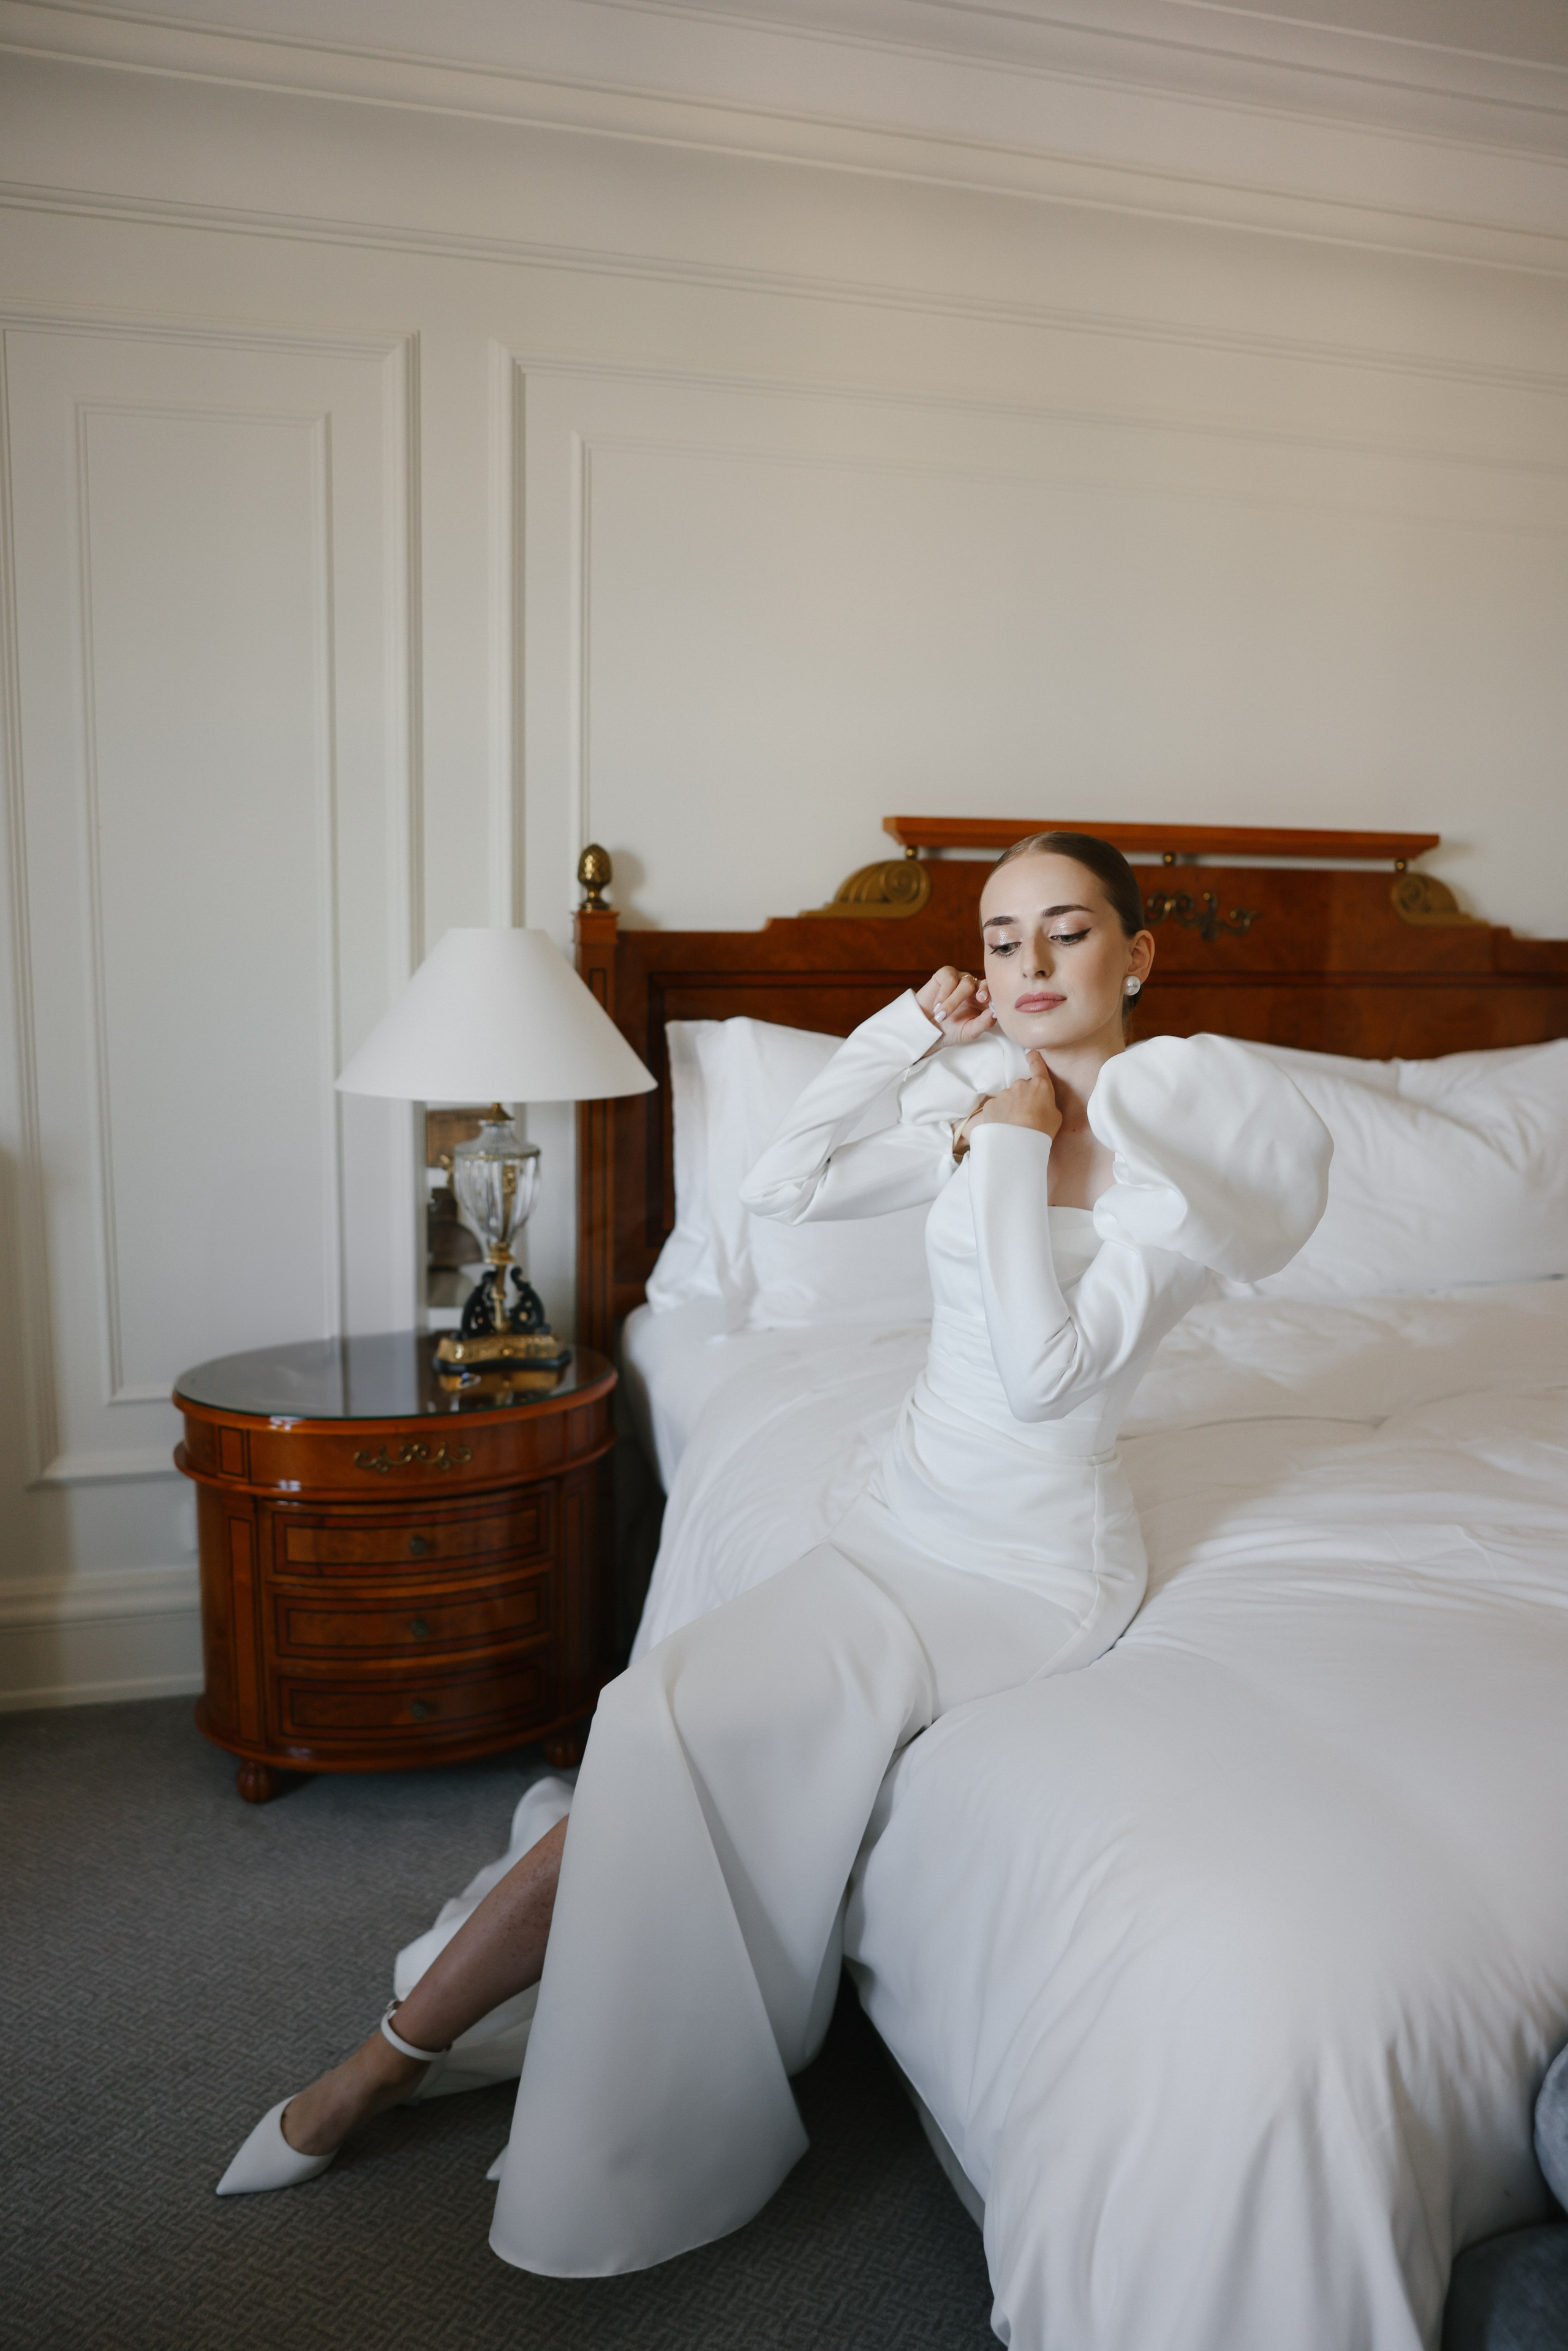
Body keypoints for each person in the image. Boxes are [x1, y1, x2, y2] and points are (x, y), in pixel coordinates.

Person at [217, 830, 1332, 2279]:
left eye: (1065, 932)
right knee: (649, 1728)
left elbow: (1047, 1371)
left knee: (651, 1719)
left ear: (1139, 952)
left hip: (1021, 1571)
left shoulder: (1176, 1162)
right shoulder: (972, 1083)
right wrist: (901, 1043)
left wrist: (1004, 1141)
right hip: (898, 1505)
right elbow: (781, 1190)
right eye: (1000, 941)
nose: (1029, 966)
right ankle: (403, 2048)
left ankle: (385, 2060)